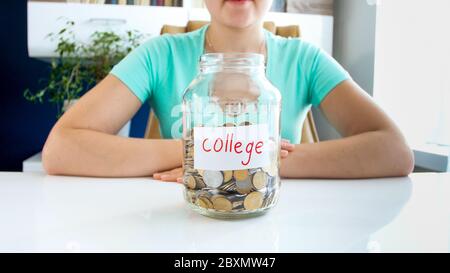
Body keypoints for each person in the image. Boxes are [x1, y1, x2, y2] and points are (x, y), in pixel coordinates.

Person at [42, 0, 414, 181]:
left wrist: (234, 158)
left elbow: (394, 150)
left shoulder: (306, 59)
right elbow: (61, 148)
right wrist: (198, 153)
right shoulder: (160, 55)